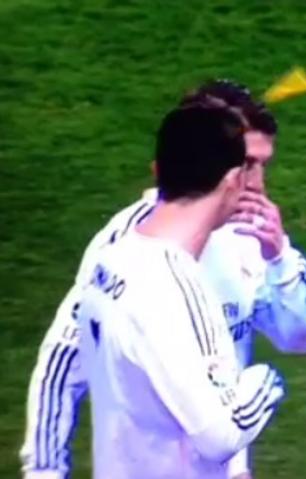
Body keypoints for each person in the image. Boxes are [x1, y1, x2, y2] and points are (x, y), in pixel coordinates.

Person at [20, 81, 306, 479]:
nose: (257, 184)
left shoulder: (253, 235)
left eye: (264, 166)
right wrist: (44, 471)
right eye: (247, 164)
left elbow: (300, 337)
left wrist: (279, 259)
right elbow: (62, 361)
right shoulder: (128, 246)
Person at [76, 100, 284, 479]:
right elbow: (221, 434)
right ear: (232, 181)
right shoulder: (179, 287)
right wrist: (268, 380)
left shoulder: (110, 262)